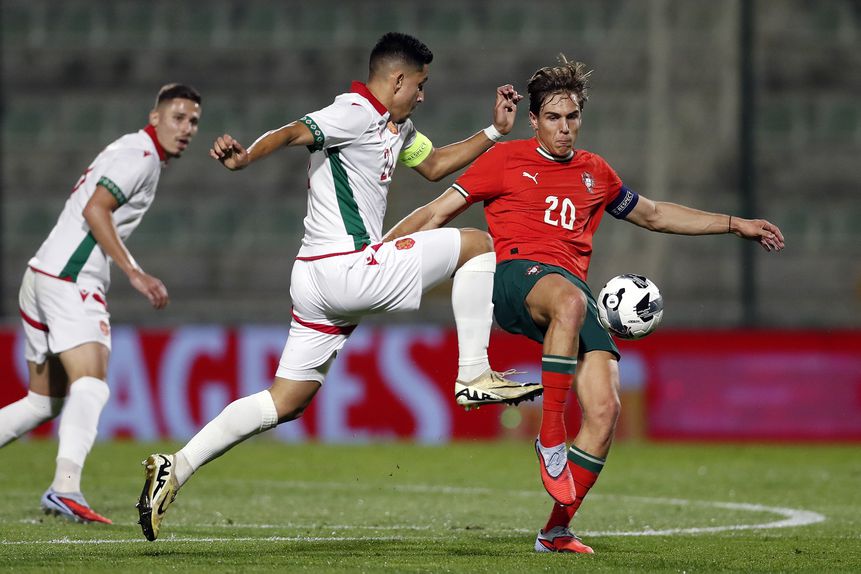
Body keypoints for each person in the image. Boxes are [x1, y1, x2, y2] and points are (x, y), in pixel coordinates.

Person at [136, 32, 540, 541]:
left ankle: (176, 465)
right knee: (479, 244)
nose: (422, 95)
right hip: (345, 269)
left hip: (315, 278)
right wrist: (245, 158)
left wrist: (493, 131)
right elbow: (292, 132)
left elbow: (435, 165)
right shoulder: (352, 111)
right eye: (420, 85)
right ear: (398, 79)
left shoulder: (397, 126)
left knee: (287, 401)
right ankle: (474, 372)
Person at [382, 56, 785, 553]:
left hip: (570, 294)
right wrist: (378, 256)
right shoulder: (504, 160)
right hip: (516, 279)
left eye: (572, 117)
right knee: (571, 301)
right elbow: (436, 212)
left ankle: (556, 530)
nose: (565, 128)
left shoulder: (596, 172)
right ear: (534, 120)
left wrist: (734, 223)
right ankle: (551, 435)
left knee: (605, 409)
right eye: (553, 118)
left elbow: (654, 215)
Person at [0, 84, 202, 524]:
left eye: (193, 122)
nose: (187, 128)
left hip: (42, 272)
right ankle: (65, 487)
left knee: (42, 402)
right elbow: (96, 209)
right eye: (178, 117)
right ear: (155, 117)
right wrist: (135, 272)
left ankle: (64, 488)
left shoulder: (133, 151)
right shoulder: (140, 156)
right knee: (91, 383)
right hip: (70, 277)